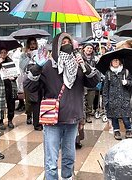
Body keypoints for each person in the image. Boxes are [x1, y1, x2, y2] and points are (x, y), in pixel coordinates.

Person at [24, 32, 100, 179]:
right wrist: (37, 67)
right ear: (56, 45)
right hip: (53, 120)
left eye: (69, 42)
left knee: (69, 158)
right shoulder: (47, 66)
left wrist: (85, 65)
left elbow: (95, 81)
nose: (67, 45)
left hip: (72, 119)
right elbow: (29, 86)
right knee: (51, 161)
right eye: (63, 42)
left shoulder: (78, 65)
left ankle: (67, 178)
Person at [103, 58, 132, 140]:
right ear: (111, 62)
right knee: (114, 117)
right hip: (112, 99)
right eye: (113, 60)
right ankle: (116, 130)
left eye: (117, 60)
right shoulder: (108, 73)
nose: (115, 62)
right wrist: (105, 100)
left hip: (124, 98)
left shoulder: (126, 72)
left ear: (120, 62)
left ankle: (128, 129)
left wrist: (127, 82)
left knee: (125, 117)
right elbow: (105, 88)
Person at [0, 47, 18, 130]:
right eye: (1, 52)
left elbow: (15, 73)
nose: (3, 54)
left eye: (5, 52)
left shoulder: (10, 61)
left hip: (9, 86)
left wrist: (13, 78)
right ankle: (1, 121)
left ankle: (10, 120)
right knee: (0, 105)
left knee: (11, 104)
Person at [19, 37, 43, 130]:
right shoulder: (23, 55)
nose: (32, 46)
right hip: (29, 81)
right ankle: (32, 119)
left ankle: (39, 121)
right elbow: (22, 66)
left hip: (40, 80)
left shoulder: (39, 53)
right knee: (31, 102)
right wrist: (28, 57)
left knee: (39, 101)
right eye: (30, 44)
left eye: (34, 43)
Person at [82, 43, 98, 123]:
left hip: (92, 83)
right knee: (82, 100)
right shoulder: (80, 58)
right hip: (82, 83)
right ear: (84, 49)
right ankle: (82, 116)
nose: (89, 50)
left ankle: (88, 115)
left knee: (90, 100)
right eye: (88, 48)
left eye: (91, 48)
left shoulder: (95, 59)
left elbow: (98, 70)